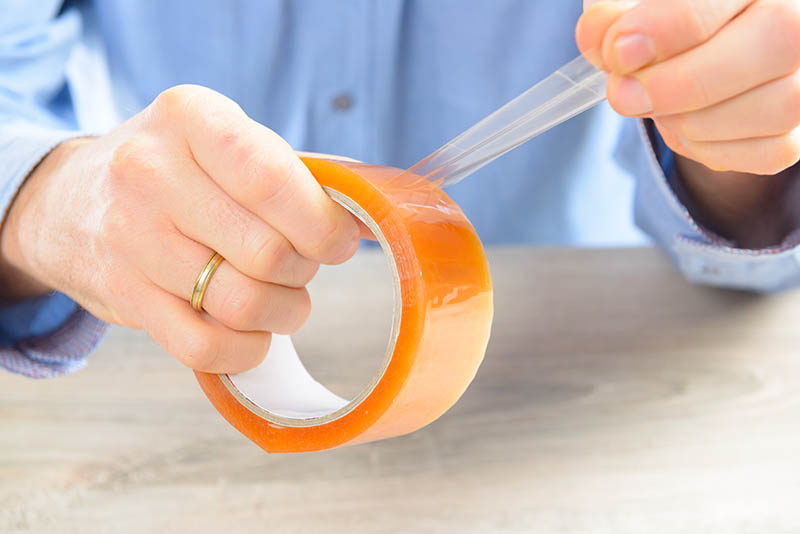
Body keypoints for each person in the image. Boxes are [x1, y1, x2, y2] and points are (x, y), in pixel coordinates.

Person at [1, 0, 798, 378]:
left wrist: (740, 123)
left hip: (587, 378)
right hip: (157, 381)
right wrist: (41, 194)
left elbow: (760, 237)